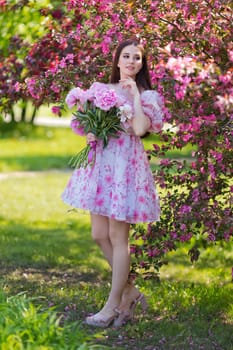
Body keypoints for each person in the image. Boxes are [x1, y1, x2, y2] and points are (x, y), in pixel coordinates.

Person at [62, 39, 164, 328]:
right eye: (127, 56)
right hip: (102, 165)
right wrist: (91, 135)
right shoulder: (101, 91)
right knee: (98, 234)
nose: (132, 61)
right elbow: (90, 124)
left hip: (126, 168)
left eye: (137, 58)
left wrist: (133, 96)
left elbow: (141, 130)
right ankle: (129, 290)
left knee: (119, 238)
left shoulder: (147, 95)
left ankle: (112, 306)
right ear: (117, 60)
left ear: (142, 64)